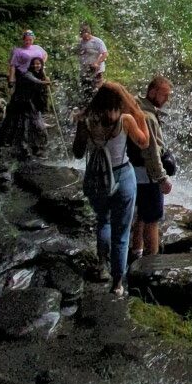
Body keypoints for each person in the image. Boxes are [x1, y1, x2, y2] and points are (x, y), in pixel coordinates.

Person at [73, 83, 149, 297]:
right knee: (122, 233)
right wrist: (139, 115)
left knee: (103, 221)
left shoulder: (86, 120)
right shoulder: (125, 120)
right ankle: (117, 283)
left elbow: (78, 153)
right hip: (122, 176)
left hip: (97, 178)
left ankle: (101, 264)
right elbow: (144, 143)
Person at [129, 75, 176, 262]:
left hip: (136, 172)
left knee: (141, 214)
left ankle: (136, 253)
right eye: (164, 95)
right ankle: (152, 263)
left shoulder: (138, 107)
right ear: (153, 92)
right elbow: (151, 152)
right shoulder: (147, 116)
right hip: (148, 175)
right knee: (153, 219)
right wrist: (162, 178)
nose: (167, 99)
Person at [0, 54, 50, 160]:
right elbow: (34, 81)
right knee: (23, 127)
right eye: (34, 64)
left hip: (32, 105)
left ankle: (35, 149)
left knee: (36, 127)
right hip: (21, 105)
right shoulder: (27, 74)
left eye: (39, 64)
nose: (36, 66)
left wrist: (44, 81)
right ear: (30, 65)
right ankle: (24, 149)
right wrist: (45, 82)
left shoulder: (39, 74)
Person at [76, 24, 108, 101]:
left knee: (97, 89)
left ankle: (100, 102)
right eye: (82, 36)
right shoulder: (80, 42)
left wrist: (97, 63)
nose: (83, 38)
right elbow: (78, 52)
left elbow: (105, 54)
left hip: (96, 70)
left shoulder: (97, 42)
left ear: (89, 33)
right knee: (85, 89)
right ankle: (86, 103)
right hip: (85, 70)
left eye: (84, 35)